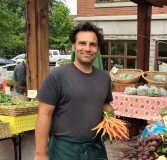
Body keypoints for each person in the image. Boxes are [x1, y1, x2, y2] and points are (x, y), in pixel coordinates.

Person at [34, 22, 114, 160]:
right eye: (82, 43)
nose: (87, 48)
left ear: (97, 48)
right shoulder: (57, 76)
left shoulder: (104, 77)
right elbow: (44, 115)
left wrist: (111, 119)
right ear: (73, 46)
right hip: (64, 150)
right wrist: (40, 154)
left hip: (96, 149)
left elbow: (105, 104)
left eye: (92, 44)